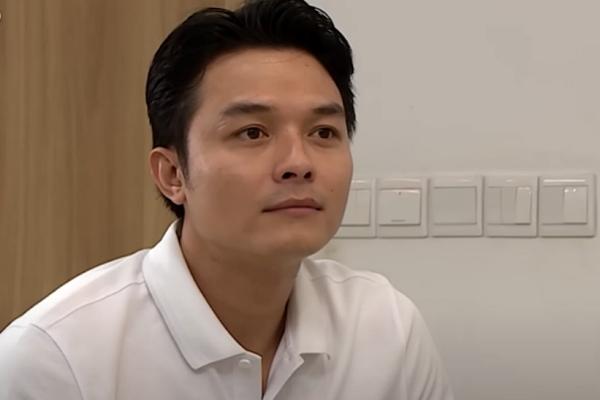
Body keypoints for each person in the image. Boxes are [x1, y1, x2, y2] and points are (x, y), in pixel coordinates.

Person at [0, 1, 454, 399]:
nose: (299, 163)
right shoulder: (55, 359)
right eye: (253, 132)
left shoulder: (386, 329)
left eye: (323, 132)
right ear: (173, 174)